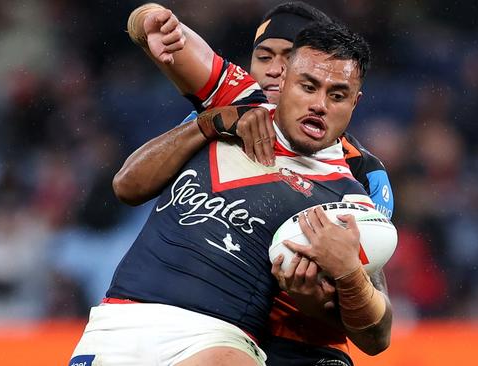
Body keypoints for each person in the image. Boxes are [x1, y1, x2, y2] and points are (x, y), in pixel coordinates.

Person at [69, 21, 389, 366]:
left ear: (355, 103)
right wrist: (207, 124)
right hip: (118, 322)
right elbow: (127, 188)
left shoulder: (349, 198)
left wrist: (349, 276)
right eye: (308, 87)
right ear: (283, 82)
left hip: (217, 339)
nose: (320, 105)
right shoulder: (228, 111)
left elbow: (377, 336)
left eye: (337, 95)